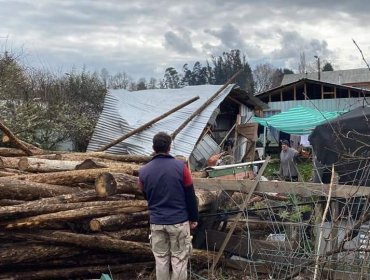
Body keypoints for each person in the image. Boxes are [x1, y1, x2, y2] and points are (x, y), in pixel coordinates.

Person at [138, 132, 199, 280]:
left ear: (153, 147)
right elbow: (190, 195)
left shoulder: (143, 171)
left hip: (157, 223)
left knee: (161, 260)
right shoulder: (181, 167)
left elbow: (145, 195)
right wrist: (193, 218)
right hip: (178, 222)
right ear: (169, 148)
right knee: (179, 260)